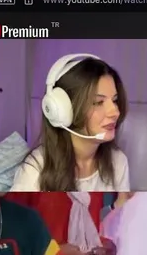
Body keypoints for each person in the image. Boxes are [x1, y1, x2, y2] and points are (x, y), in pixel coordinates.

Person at [12, 54, 131, 192]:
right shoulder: (34, 173)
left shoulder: (118, 162)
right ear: (64, 110)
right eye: (98, 102)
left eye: (115, 100)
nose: (115, 112)